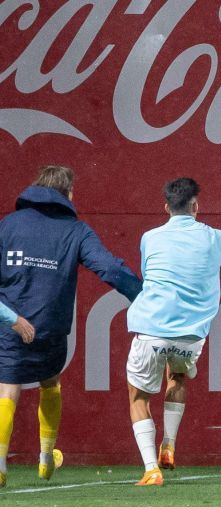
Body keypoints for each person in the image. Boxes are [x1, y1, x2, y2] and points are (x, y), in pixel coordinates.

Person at [0, 166, 142, 487]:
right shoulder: (76, 231)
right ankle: (46, 456)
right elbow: (108, 267)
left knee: (6, 388)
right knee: (50, 384)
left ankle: (0, 465)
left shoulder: (7, 226)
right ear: (69, 195)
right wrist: (142, 294)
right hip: (49, 327)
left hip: (9, 324)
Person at [126, 178, 221, 486]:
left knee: (139, 397)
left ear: (166, 207)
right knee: (176, 377)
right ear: (196, 206)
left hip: (151, 330)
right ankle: (169, 443)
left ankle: (152, 468)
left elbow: (149, 273)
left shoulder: (149, 238)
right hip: (191, 338)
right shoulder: (214, 238)